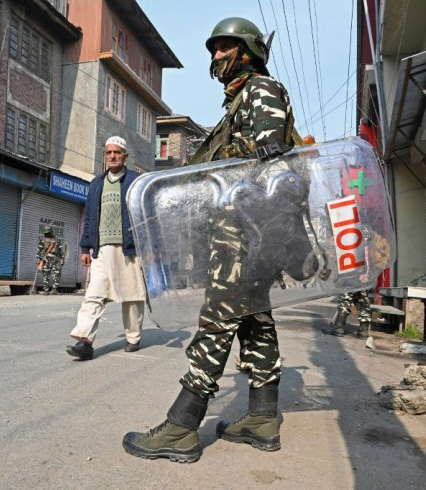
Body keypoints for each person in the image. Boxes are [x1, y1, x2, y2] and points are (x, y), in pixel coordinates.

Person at [123, 17, 298, 463]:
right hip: (241, 233)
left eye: (224, 48)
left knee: (218, 320)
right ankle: (262, 418)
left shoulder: (261, 91)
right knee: (255, 320)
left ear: (248, 52)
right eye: (214, 49)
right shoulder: (237, 105)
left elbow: (272, 171)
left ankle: (182, 426)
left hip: (246, 234)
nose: (215, 56)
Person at [66, 136, 145, 361]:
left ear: (125, 156)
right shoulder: (97, 183)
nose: (112, 156)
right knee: (94, 294)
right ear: (105, 155)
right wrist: (85, 247)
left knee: (131, 296)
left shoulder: (136, 181)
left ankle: (132, 337)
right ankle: (85, 341)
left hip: (129, 249)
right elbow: (90, 217)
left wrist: (149, 247)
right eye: (109, 152)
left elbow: (145, 214)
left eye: (117, 152)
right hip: (101, 249)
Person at [36, 227, 66, 295]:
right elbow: (39, 250)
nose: (47, 234)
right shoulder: (43, 240)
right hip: (46, 259)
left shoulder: (57, 240)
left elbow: (61, 251)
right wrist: (38, 259)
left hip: (56, 259)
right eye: (46, 233)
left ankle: (54, 289)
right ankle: (46, 290)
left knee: (57, 274)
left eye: (48, 233)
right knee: (46, 275)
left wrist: (62, 259)